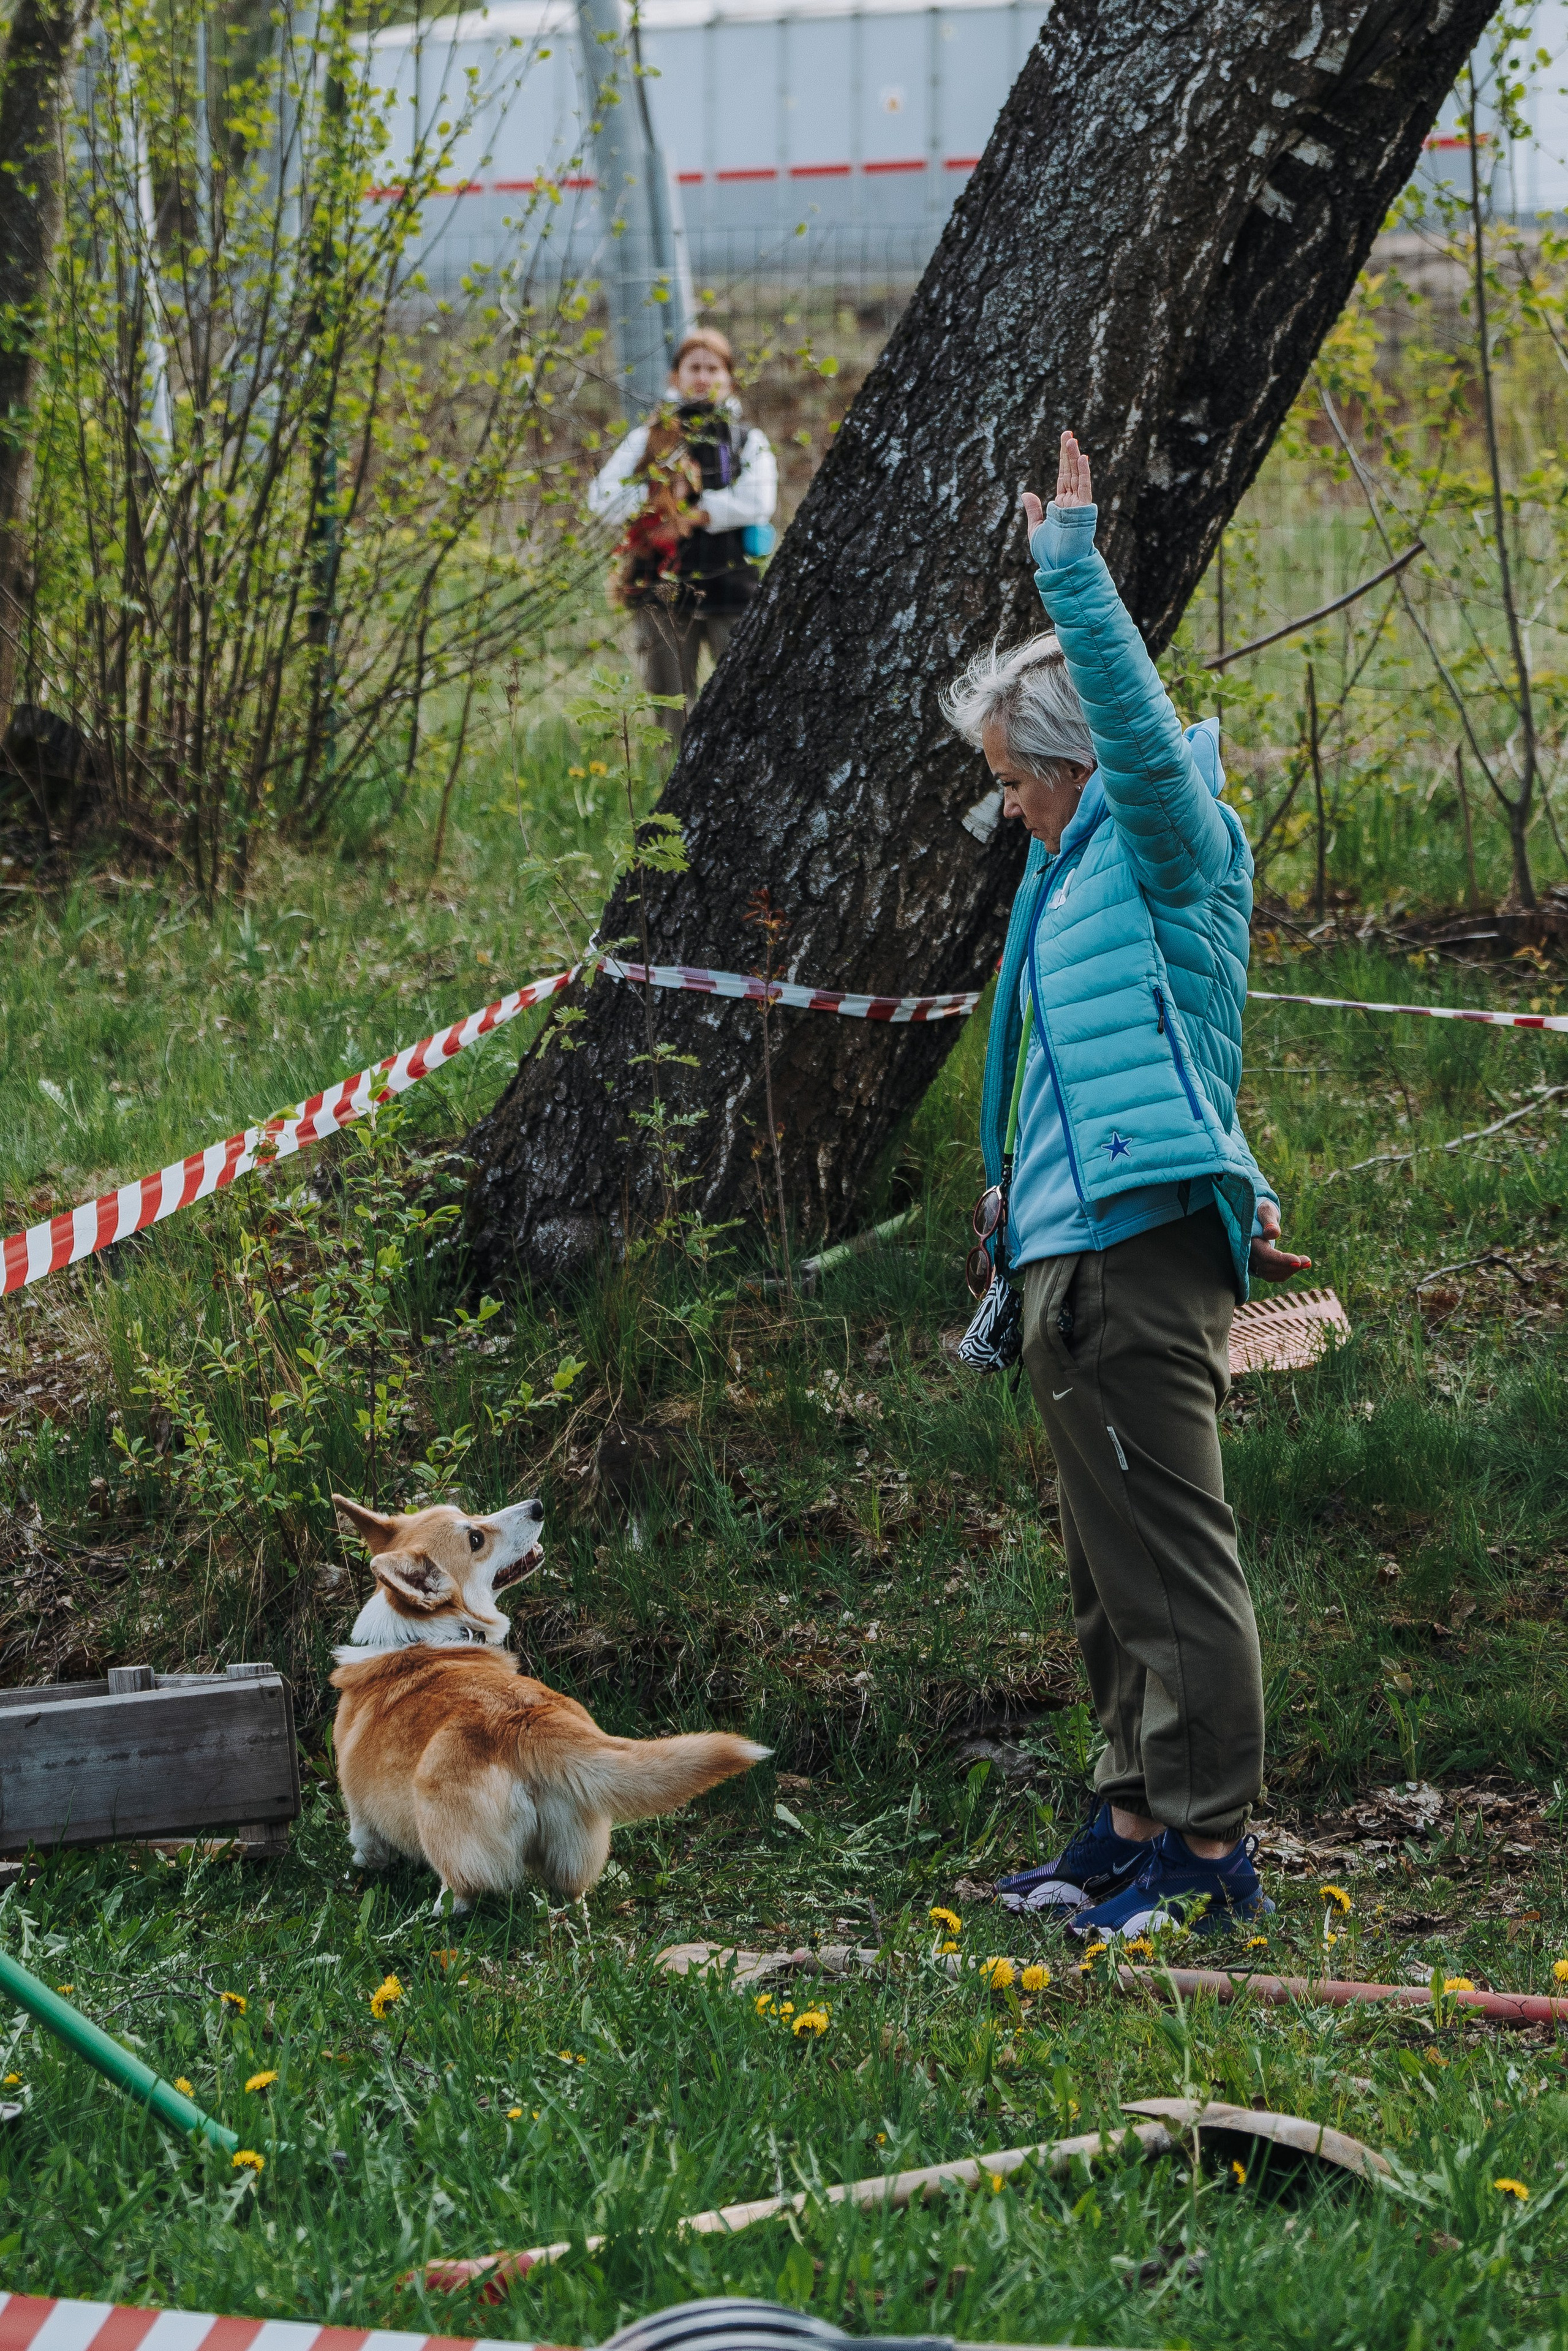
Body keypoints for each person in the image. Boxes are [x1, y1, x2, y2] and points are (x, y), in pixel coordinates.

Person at [943, 430, 1311, 1942]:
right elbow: (1107, 1076)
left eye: (1014, 780)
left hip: (1134, 1255)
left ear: (1073, 760)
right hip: (1063, 1254)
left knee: (1169, 1560)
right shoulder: (1069, 877)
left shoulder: (1167, 841)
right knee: (1109, 1575)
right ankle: (1126, 1820)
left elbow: (1144, 743)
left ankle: (1207, 1857)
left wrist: (1072, 579)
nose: (1006, 808)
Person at [587, 328, 778, 747]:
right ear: (675, 377)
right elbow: (602, 499)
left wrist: (692, 514)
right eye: (695, 367)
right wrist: (656, 499)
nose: (703, 377)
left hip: (732, 588)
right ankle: (669, 789)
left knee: (744, 702)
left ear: (729, 379)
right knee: (671, 707)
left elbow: (758, 502)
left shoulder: (746, 440)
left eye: (714, 368)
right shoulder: (647, 438)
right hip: (661, 591)